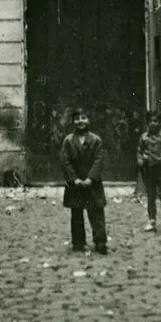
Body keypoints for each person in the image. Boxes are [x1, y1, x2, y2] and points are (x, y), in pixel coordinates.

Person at [60, 106, 108, 254]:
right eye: (77, 118)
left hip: (92, 184)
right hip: (75, 184)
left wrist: (90, 178)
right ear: (73, 121)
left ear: (88, 120)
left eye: (83, 118)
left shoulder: (96, 140)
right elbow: (65, 161)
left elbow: (99, 160)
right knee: (77, 214)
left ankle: (100, 241)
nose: (80, 121)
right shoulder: (68, 141)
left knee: (97, 213)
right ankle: (78, 242)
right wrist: (74, 179)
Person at [137, 111, 161, 232]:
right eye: (151, 121)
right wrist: (141, 159)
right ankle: (152, 220)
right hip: (149, 168)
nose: (153, 124)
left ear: (160, 123)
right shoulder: (144, 137)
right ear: (147, 123)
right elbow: (139, 150)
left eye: (156, 121)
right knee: (151, 195)